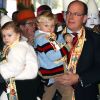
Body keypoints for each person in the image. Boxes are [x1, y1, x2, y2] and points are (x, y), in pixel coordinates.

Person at [55, 1, 100, 100]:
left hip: (85, 95)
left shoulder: (95, 39)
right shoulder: (53, 38)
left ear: (84, 18)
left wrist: (79, 78)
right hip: (57, 95)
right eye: (69, 13)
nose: (71, 17)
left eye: (76, 14)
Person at [34, 11, 74, 100]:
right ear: (38, 25)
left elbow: (57, 40)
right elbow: (53, 56)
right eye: (46, 25)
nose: (49, 28)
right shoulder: (42, 39)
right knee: (67, 92)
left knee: (65, 93)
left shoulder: (47, 35)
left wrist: (65, 36)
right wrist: (67, 47)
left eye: (52, 26)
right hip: (52, 72)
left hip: (54, 72)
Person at [0, 21, 38, 100]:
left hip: (23, 83)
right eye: (4, 36)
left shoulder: (19, 48)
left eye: (9, 35)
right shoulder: (13, 46)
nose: (6, 38)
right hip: (15, 82)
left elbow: (16, 67)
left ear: (18, 35)